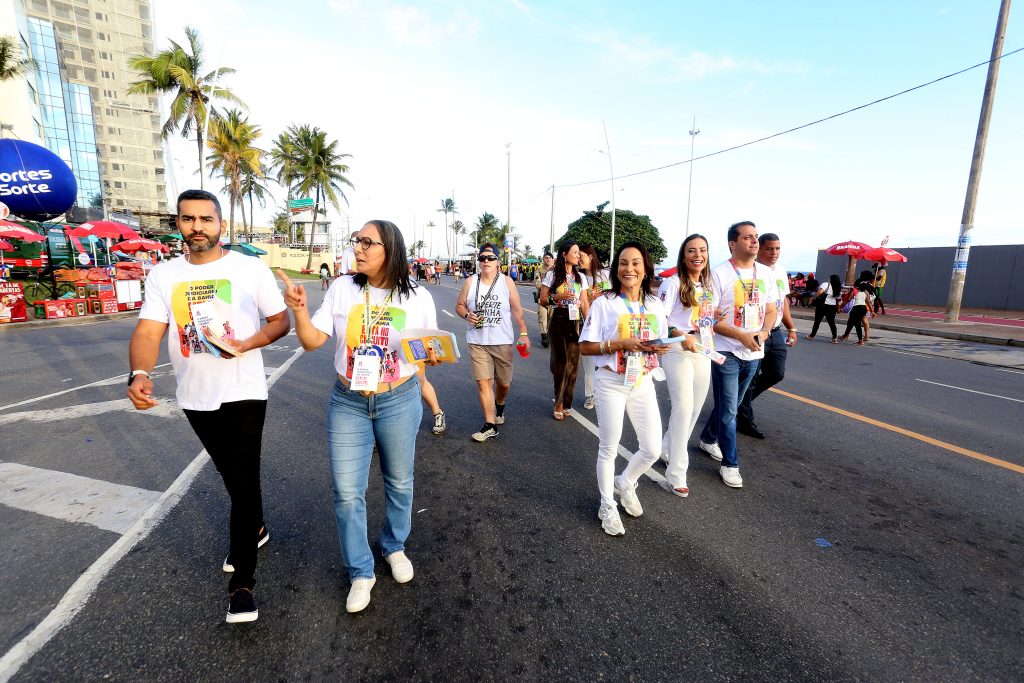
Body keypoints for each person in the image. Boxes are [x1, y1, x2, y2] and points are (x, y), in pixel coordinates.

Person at [128, 189, 290, 624]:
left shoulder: (248, 268)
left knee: (243, 480)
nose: (197, 226)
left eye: (205, 218)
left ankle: (242, 585)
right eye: (187, 219)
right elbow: (148, 331)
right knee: (229, 474)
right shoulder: (163, 275)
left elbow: (280, 322)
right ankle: (255, 527)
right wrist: (140, 373)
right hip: (194, 394)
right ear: (177, 224)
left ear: (221, 224)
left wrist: (247, 343)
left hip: (244, 389)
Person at [280, 219, 439, 614]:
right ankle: (360, 570)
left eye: (369, 242)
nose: (359, 248)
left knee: (399, 482)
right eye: (357, 241)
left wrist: (431, 355)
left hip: (398, 398)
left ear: (391, 250)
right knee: (347, 492)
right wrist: (299, 311)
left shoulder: (416, 296)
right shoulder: (342, 288)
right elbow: (313, 340)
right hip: (348, 401)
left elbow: (425, 349)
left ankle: (394, 546)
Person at [580, 242, 669, 535]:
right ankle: (607, 504)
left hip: (641, 381)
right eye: (622, 263)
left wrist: (661, 348)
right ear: (616, 269)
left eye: (635, 263)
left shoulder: (655, 304)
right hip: (611, 383)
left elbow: (658, 340)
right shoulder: (604, 303)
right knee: (609, 447)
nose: (628, 269)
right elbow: (585, 346)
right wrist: (619, 344)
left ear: (645, 269)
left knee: (652, 449)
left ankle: (626, 482)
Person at [697, 221, 778, 489]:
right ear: (733, 243)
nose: (754, 241)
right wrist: (740, 335)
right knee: (730, 409)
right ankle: (730, 464)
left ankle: (708, 438)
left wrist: (764, 333)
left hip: (754, 351)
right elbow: (708, 319)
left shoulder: (766, 274)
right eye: (747, 237)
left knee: (731, 404)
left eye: (755, 237)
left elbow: (770, 310)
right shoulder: (717, 275)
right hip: (725, 351)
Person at [657, 233, 717, 496]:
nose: (697, 255)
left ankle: (667, 448)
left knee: (695, 409)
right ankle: (676, 471)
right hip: (677, 349)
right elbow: (659, 320)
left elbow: (706, 320)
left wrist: (712, 324)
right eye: (692, 251)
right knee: (683, 407)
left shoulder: (708, 286)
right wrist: (682, 337)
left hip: (702, 349)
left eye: (702, 250)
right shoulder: (671, 284)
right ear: (683, 255)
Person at [454, 243, 530, 441]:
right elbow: (459, 306)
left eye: (490, 258)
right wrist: (467, 315)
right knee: (483, 383)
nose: (485, 261)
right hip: (477, 340)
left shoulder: (506, 282)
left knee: (503, 383)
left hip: (502, 341)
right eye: (482, 258)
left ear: (498, 262)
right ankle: (490, 425)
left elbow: (517, 310)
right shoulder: (470, 282)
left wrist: (523, 333)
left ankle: (500, 404)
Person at [737, 233, 798, 440]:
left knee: (776, 373)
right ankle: (744, 420)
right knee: (751, 378)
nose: (774, 253)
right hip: (754, 331)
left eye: (777, 249)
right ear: (759, 249)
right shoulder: (748, 271)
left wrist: (792, 327)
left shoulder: (780, 271)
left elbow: (783, 302)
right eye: (769, 249)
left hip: (775, 331)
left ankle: (735, 405)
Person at [539, 241, 591, 420]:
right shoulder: (552, 274)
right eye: (575, 252)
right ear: (564, 254)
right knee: (561, 363)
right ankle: (558, 403)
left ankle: (567, 402)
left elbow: (584, 302)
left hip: (575, 321)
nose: (578, 255)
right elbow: (543, 300)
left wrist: (591, 324)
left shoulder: (580, 277)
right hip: (559, 320)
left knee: (573, 365)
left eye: (579, 252)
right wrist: (556, 297)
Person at [579, 244, 610, 410]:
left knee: (607, 359)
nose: (578, 260)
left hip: (607, 324)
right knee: (589, 362)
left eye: (581, 256)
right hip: (588, 324)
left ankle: (606, 392)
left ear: (590, 256)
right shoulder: (580, 278)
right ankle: (591, 395)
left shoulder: (605, 274)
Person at [806, 274, 841, 342]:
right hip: (832, 306)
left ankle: (812, 336)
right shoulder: (838, 287)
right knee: (831, 322)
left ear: (830, 279)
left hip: (823, 305)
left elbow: (820, 292)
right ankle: (834, 338)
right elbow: (838, 298)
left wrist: (812, 298)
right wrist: (838, 308)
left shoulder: (826, 284)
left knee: (817, 321)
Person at [839, 275, 874, 345]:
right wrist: (872, 311)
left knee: (857, 324)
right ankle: (845, 336)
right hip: (863, 308)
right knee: (850, 322)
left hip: (857, 308)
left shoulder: (854, 290)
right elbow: (868, 301)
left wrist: (841, 306)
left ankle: (860, 340)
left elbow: (848, 299)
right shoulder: (866, 291)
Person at [533, 252, 555, 347]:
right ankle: (544, 336)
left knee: (552, 317)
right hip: (542, 297)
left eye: (550, 258)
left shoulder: (557, 270)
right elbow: (538, 284)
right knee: (542, 316)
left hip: (554, 297)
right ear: (543, 259)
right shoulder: (539, 271)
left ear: (552, 259)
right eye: (546, 258)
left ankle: (549, 334)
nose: (548, 259)